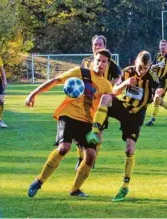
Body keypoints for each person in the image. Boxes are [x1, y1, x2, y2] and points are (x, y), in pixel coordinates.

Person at [26, 49, 112, 198]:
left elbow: (105, 109)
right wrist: (33, 94)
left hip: (87, 122)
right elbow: (56, 80)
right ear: (93, 61)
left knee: (91, 155)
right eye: (98, 60)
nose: (100, 64)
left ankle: (75, 189)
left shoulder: (106, 85)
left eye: (104, 61)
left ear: (108, 64)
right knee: (64, 148)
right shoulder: (81, 72)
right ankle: (39, 181)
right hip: (68, 116)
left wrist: (100, 129)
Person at [86, 51, 161, 202]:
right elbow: (114, 91)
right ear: (136, 62)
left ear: (149, 66)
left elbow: (158, 90)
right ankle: (95, 131)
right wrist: (126, 83)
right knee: (106, 97)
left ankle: (125, 186)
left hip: (136, 115)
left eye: (146, 68)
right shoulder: (128, 72)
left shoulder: (151, 77)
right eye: (140, 67)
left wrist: (158, 94)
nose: (142, 71)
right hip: (124, 107)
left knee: (129, 149)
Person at [74, 35, 121, 170]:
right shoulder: (86, 61)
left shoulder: (109, 62)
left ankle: (92, 159)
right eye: (95, 44)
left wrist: (108, 87)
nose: (97, 46)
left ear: (104, 46)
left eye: (100, 44)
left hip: (101, 104)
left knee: (98, 131)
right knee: (80, 131)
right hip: (86, 102)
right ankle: (80, 159)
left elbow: (119, 76)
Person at [145, 39, 167, 126]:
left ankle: (152, 120)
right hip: (155, 81)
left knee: (157, 98)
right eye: (161, 45)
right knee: (158, 101)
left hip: (164, 81)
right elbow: (151, 66)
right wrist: (157, 65)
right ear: (159, 46)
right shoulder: (157, 56)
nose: (163, 47)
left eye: (164, 45)